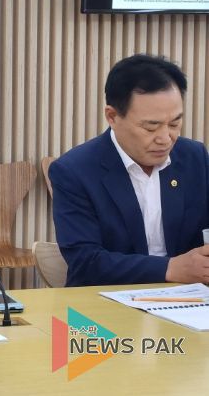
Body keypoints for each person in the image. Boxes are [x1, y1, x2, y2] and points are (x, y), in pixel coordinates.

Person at [50, 54, 209, 286]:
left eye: (174, 124)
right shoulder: (74, 171)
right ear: (112, 116)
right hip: (104, 299)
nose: (166, 138)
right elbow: (86, 262)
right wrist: (169, 268)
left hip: (188, 297)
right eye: (151, 127)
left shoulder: (195, 158)